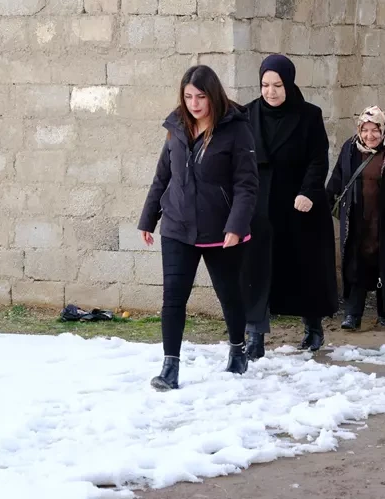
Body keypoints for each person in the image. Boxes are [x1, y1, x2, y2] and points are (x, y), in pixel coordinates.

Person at [138, 65, 259, 391]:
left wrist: (236, 226)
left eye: (201, 97)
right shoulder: (177, 126)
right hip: (177, 227)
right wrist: (148, 219)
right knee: (173, 298)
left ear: (213, 96)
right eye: (188, 96)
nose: (194, 103)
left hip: (221, 230)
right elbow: (163, 175)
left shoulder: (236, 130)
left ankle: (237, 349)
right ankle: (170, 368)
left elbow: (247, 184)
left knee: (228, 294)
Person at [241, 54, 338, 359]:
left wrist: (309, 191)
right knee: (256, 270)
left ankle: (313, 327)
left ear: (289, 83)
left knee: (305, 268)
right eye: (265, 85)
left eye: (277, 85)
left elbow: (318, 158)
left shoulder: (309, 115)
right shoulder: (247, 114)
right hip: (260, 206)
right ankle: (255, 335)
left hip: (299, 206)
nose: (270, 91)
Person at [327, 106, 385, 329]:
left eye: (375, 130)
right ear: (359, 129)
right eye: (365, 130)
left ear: (383, 129)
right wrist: (324, 201)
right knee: (355, 264)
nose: (370, 135)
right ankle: (352, 315)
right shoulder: (350, 148)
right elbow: (338, 177)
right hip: (357, 220)